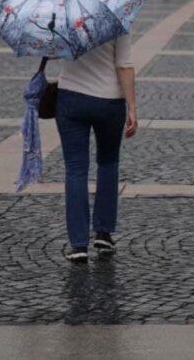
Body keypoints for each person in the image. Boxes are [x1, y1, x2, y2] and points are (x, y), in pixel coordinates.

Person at [56, 34, 138, 262]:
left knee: (75, 169)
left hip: (70, 98)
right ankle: (103, 232)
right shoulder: (117, 17)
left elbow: (54, 52)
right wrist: (132, 107)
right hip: (108, 101)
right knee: (108, 162)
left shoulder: (66, 14)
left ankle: (78, 244)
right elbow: (124, 65)